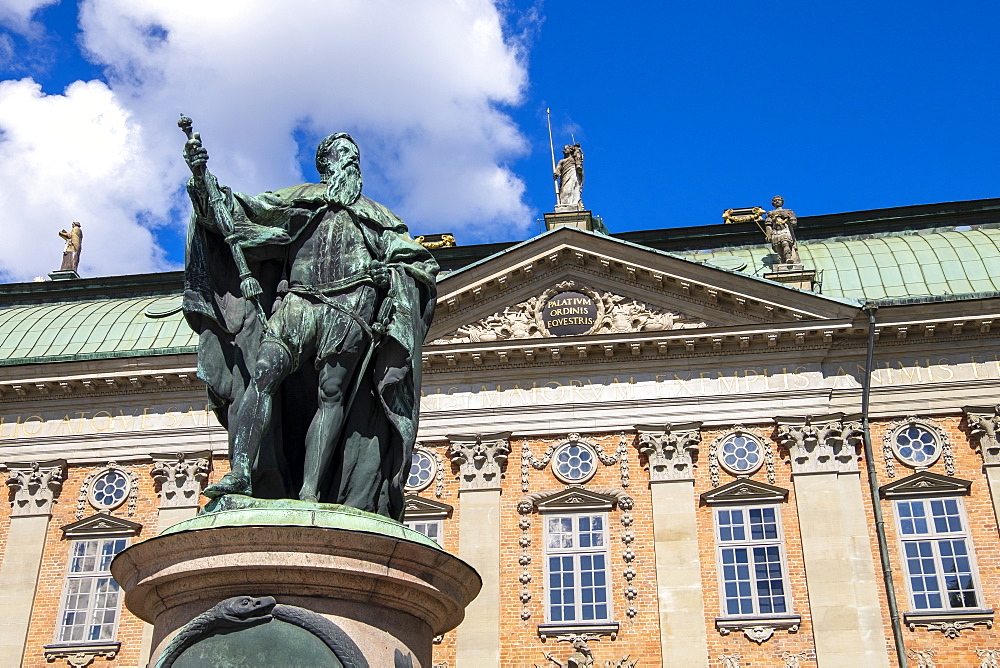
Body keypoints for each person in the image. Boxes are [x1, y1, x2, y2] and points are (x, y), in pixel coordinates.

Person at [182, 132, 438, 519]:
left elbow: (419, 264)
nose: (351, 162)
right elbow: (236, 213)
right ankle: (240, 473)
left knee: (332, 394)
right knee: (264, 376)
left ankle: (310, 491)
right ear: (327, 164)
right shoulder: (300, 199)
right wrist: (203, 182)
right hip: (299, 302)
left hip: (351, 310)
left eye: (355, 156)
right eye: (343, 155)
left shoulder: (380, 217)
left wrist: (396, 275)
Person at [764, 196, 800, 265]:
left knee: (785, 243)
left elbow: (793, 221)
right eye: (775, 201)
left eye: (779, 200)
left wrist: (792, 220)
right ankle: (782, 263)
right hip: (775, 232)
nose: (777, 201)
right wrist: (768, 234)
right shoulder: (770, 213)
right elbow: (768, 225)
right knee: (779, 248)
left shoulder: (788, 212)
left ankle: (788, 259)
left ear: (782, 202)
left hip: (785, 230)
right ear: (773, 203)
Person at [554, 143, 584, 208]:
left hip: (573, 175)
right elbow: (558, 169)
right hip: (565, 177)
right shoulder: (561, 161)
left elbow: (579, 166)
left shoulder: (574, 159)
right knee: (565, 191)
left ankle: (574, 204)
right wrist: (556, 174)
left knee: (573, 189)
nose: (563, 151)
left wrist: (577, 152)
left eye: (565, 149)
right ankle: (564, 206)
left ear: (570, 150)